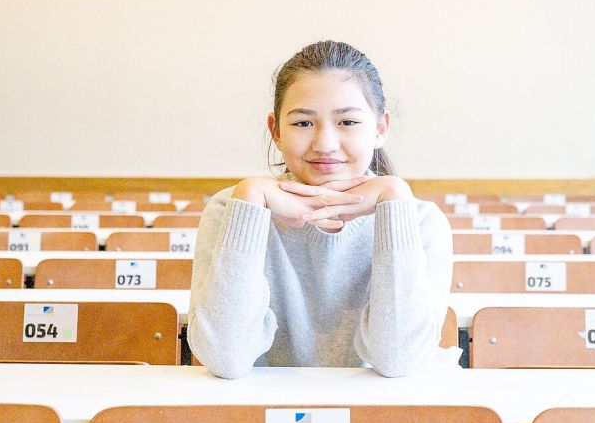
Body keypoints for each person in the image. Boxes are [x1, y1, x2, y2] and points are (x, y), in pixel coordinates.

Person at [187, 40, 457, 379]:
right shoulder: (232, 209)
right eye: (303, 123)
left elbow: (397, 360)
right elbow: (226, 358)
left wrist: (395, 197)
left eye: (347, 122)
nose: (325, 144)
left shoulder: (419, 220)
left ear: (380, 128)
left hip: (382, 422)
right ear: (275, 131)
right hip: (257, 421)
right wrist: (251, 196)